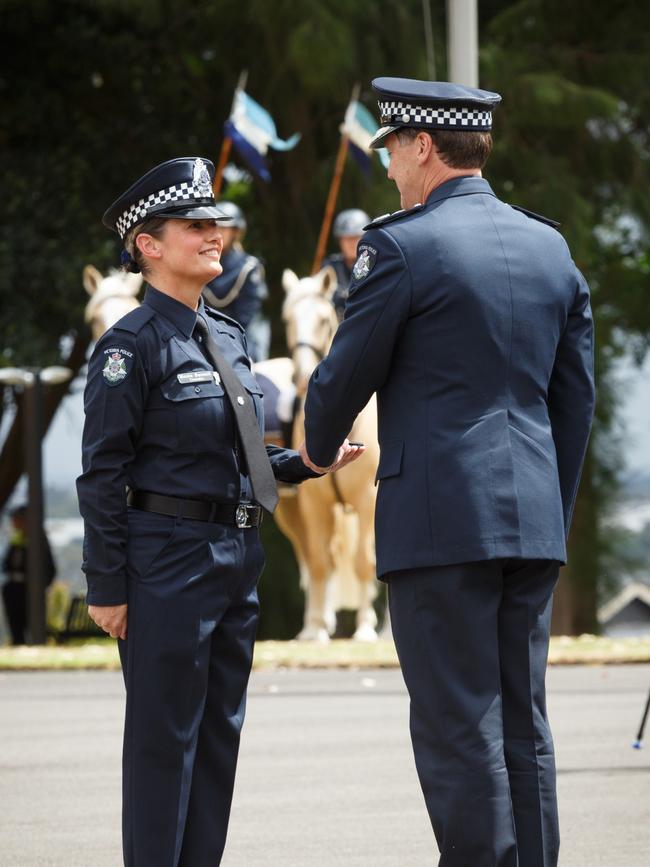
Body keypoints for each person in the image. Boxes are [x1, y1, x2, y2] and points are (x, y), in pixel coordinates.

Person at [300, 78, 595, 867]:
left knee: (458, 726)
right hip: (530, 523)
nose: (391, 167)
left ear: (423, 147)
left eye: (393, 148)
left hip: (439, 526)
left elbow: (339, 380)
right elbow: (575, 402)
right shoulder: (550, 247)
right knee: (523, 723)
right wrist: (548, 510)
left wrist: (319, 448)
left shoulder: (400, 246)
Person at [76, 156, 363, 867]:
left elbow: (238, 456)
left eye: (217, 224)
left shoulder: (229, 336)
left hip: (235, 561)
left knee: (216, 743)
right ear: (148, 242)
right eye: (196, 224)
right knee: (161, 745)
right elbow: (102, 472)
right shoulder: (128, 347)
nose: (216, 235)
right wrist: (107, 584)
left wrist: (308, 464)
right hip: (165, 564)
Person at [202, 201, 270, 361]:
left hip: (240, 338)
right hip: (201, 335)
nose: (218, 233)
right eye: (214, 227)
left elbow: (246, 316)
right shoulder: (198, 262)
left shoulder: (249, 267)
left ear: (236, 233)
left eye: (224, 228)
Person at [2, 504, 56, 645]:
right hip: (13, 588)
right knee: (15, 624)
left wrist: (39, 588)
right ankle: (17, 644)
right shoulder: (17, 539)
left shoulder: (38, 540)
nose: (14, 522)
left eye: (17, 519)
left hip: (31, 590)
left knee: (32, 624)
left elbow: (50, 568)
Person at [321, 208, 370, 320]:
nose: (351, 244)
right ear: (340, 240)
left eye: (355, 238)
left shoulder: (374, 264)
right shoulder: (330, 266)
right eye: (347, 239)